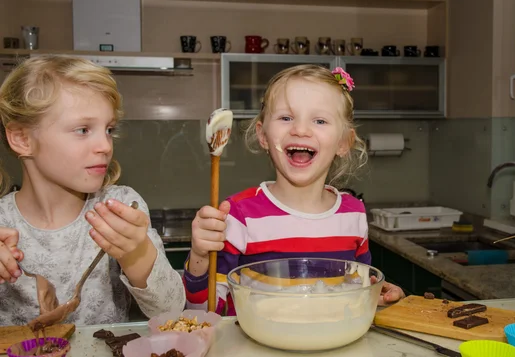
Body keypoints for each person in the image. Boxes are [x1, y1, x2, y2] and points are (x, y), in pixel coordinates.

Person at [184, 64, 404, 314]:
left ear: (343, 142)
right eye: (286, 118)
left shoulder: (353, 214)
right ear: (263, 135)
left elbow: (358, 296)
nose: (300, 129)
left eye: (320, 120)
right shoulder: (239, 216)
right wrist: (199, 256)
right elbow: (203, 313)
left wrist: (378, 298)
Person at [0, 55, 185, 326]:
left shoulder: (120, 208)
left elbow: (171, 312)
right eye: (83, 129)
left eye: (109, 130)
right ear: (22, 139)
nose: (105, 146)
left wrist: (137, 254)